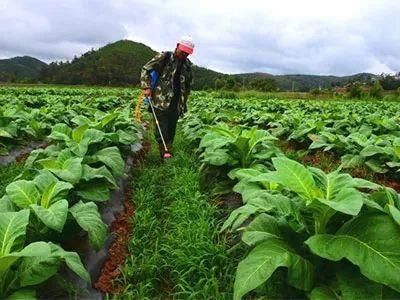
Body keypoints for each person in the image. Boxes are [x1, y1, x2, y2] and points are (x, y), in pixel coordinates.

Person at [140, 36, 194, 160]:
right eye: (183, 51)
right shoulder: (164, 57)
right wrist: (146, 87)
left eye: (187, 53)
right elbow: (146, 69)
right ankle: (164, 153)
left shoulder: (187, 66)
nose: (185, 54)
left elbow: (187, 86)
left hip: (176, 103)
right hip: (161, 100)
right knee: (161, 127)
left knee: (171, 128)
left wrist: (183, 104)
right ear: (177, 46)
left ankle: (168, 147)